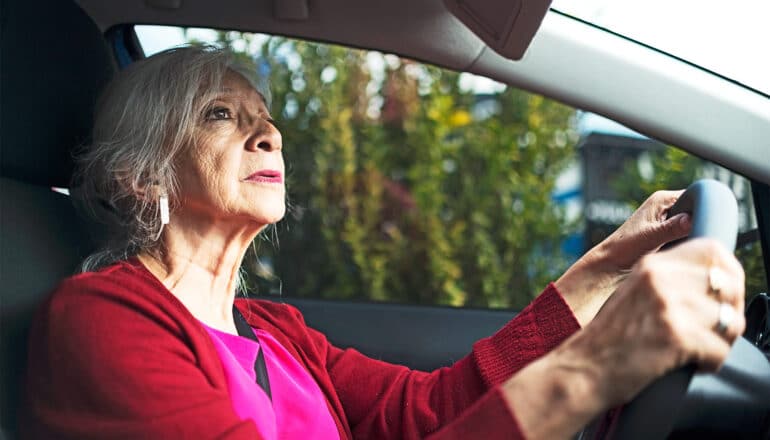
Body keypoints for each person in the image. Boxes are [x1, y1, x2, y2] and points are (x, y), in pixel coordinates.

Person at [22, 46, 745, 439]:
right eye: (220, 115)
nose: (268, 133)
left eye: (265, 118)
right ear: (140, 176)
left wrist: (599, 270)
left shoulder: (277, 334)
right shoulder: (101, 320)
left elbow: (430, 412)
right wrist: (591, 371)